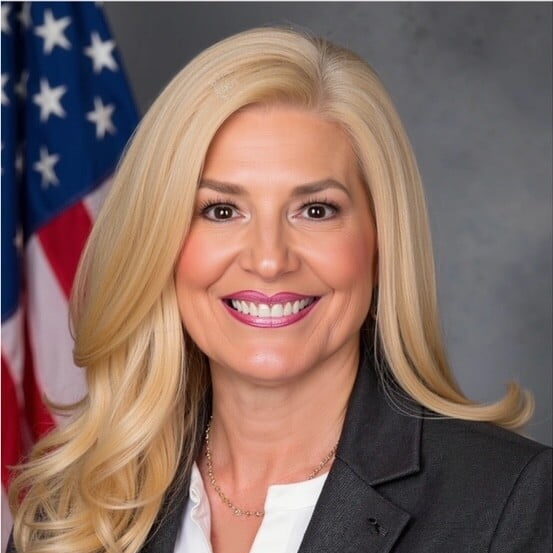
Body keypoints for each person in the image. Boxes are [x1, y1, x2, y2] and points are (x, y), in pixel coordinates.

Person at [7, 25, 551, 553]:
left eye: (316, 210)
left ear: (382, 244)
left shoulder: (513, 502)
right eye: (221, 210)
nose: (269, 260)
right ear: (161, 244)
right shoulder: (69, 512)